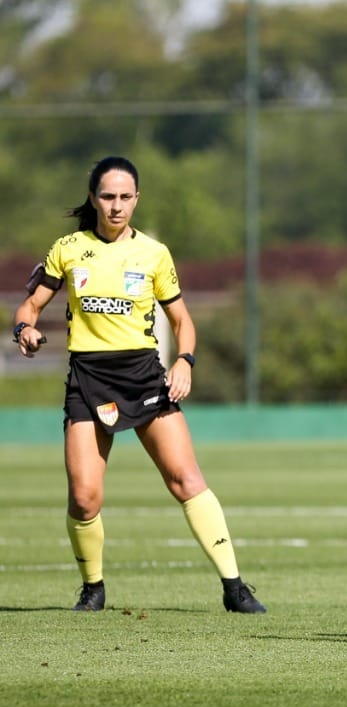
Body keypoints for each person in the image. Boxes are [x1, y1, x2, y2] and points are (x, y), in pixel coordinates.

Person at [11, 156, 265, 614]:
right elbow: (29, 305)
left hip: (144, 377)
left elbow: (183, 320)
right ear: (93, 198)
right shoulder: (68, 249)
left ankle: (235, 587)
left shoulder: (154, 253)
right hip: (88, 380)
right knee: (84, 497)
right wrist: (24, 330)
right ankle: (93, 588)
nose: (116, 206)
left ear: (137, 200)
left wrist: (184, 361)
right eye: (108, 196)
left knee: (186, 480)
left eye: (125, 197)